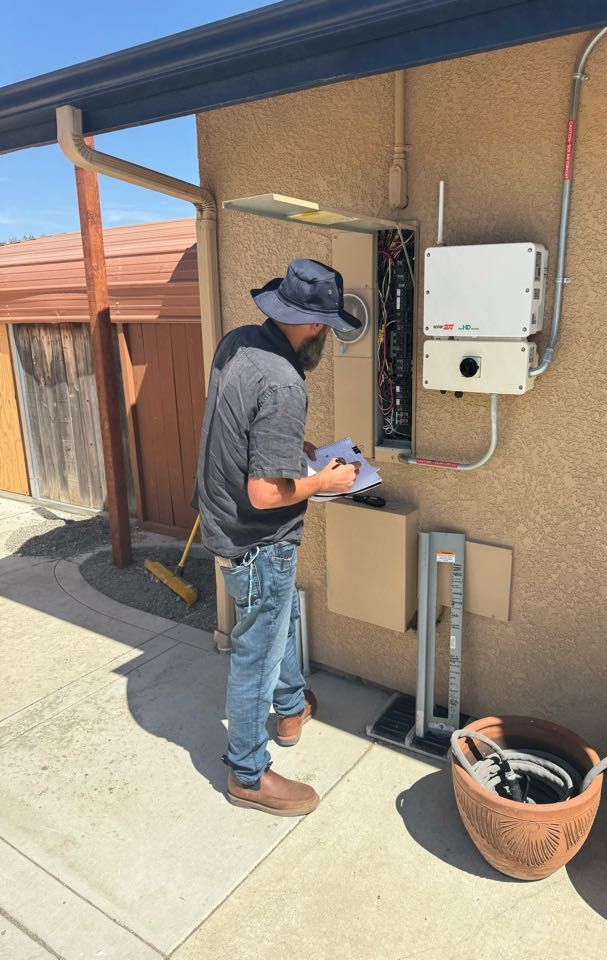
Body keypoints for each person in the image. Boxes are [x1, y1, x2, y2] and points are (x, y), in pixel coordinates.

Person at [195, 258, 361, 817]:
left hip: (224, 519)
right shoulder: (286, 383)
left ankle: (290, 708)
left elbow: (243, 425)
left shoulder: (238, 343)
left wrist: (296, 450)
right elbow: (267, 494)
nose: (327, 342)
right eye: (328, 331)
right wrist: (323, 480)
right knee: (255, 652)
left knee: (278, 617)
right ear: (312, 326)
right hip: (257, 538)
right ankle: (246, 772)